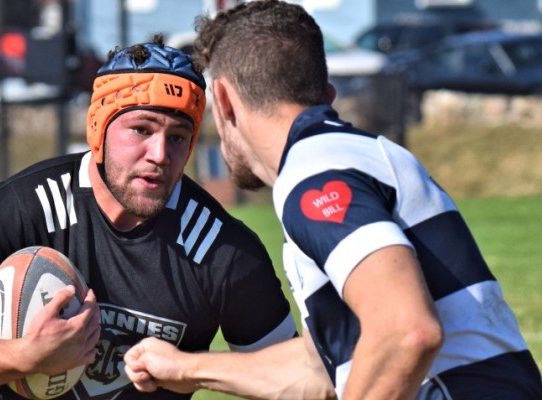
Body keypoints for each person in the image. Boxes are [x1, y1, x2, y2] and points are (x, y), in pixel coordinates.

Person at [124, 1, 542, 399]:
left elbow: (405, 331)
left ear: (226, 101)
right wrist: (185, 368)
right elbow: (320, 372)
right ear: (327, 92)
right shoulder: (346, 155)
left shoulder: (314, 173)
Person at [0, 35, 298, 400]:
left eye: (178, 137)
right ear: (97, 127)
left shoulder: (221, 248)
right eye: (141, 129)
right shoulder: (23, 207)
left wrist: (191, 368)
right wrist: (28, 357)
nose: (160, 154)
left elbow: (296, 376)